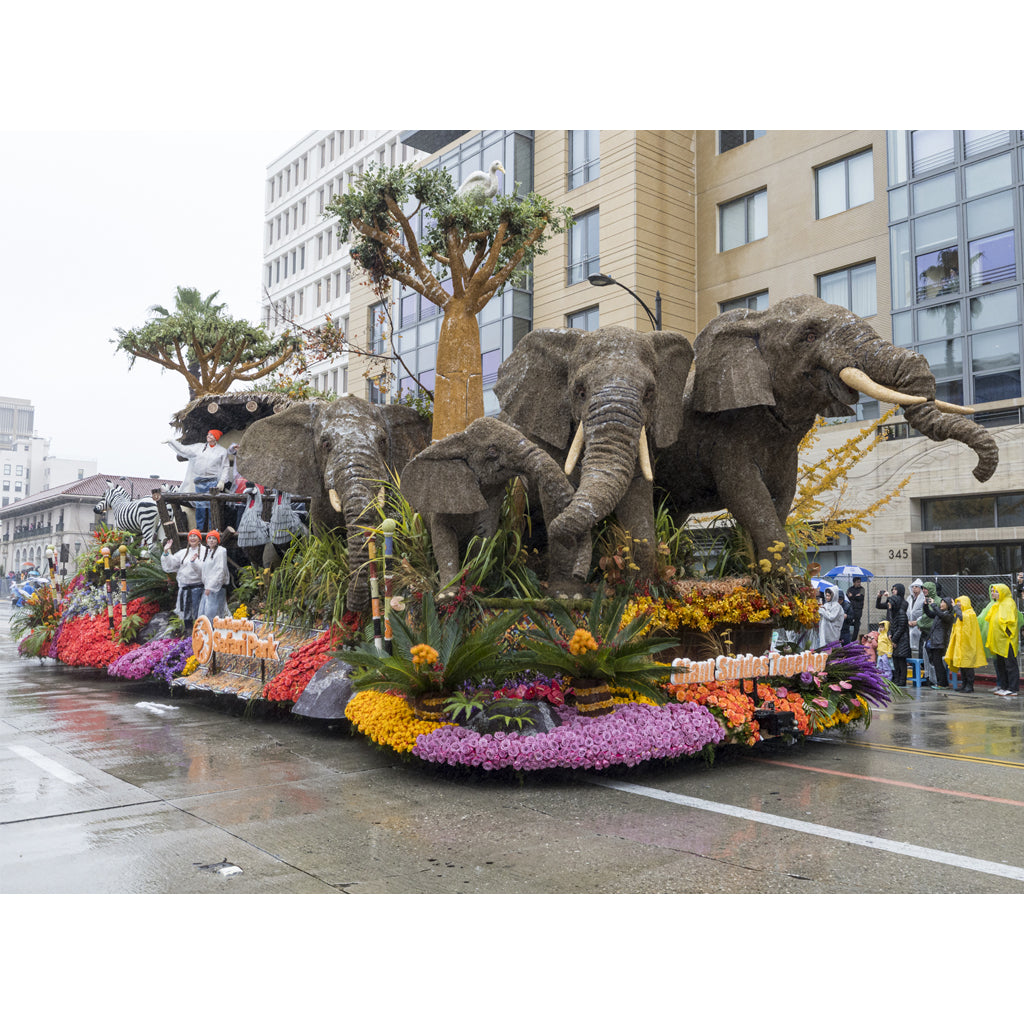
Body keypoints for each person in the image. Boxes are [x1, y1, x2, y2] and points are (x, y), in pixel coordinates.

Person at [164, 430, 231, 532]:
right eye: (208, 434)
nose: (208, 436)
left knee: (212, 506)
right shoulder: (199, 448)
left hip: (213, 482)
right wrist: (172, 441)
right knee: (200, 507)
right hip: (199, 482)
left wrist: (222, 481)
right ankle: (199, 528)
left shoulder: (221, 451)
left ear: (216, 437)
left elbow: (225, 467)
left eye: (211, 435)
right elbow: (184, 450)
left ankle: (212, 529)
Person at [161, 529, 207, 634]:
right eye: (191, 536)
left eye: (195, 536)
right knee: (186, 614)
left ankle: (201, 634)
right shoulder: (183, 553)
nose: (192, 538)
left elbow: (205, 570)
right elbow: (171, 565)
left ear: (199, 539)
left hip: (199, 588)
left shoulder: (205, 552)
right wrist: (166, 552)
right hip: (185, 588)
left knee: (199, 613)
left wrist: (194, 563)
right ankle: (188, 635)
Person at [980, 583, 1021, 698]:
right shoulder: (997, 604)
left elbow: (1010, 621)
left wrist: (1007, 634)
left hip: (1006, 641)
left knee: (1010, 664)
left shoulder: (1008, 603)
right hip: (998, 641)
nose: (994, 593)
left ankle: (1012, 688)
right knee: (1001, 665)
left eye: (996, 591)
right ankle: (1004, 686)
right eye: (993, 591)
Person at [944, 596, 987, 693]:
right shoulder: (961, 614)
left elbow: (962, 617)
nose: (958, 604)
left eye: (960, 602)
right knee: (962, 665)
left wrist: (954, 607)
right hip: (961, 644)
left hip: (968, 645)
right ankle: (964, 684)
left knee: (968, 666)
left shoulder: (970, 613)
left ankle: (969, 685)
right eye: (957, 602)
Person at [876, 583, 911, 686]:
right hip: (892, 633)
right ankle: (896, 678)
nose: (893, 591)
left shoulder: (902, 605)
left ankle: (901, 680)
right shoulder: (893, 607)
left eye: (895, 589)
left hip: (900, 638)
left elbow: (901, 627)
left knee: (901, 660)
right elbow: (878, 606)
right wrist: (879, 597)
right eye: (892, 589)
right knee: (894, 658)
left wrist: (894, 640)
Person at [922, 592, 954, 689]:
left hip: (940, 642)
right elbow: (930, 613)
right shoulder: (939, 614)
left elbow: (940, 615)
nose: (941, 605)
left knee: (939, 663)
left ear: (948, 605)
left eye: (943, 603)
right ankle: (940, 682)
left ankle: (943, 683)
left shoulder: (948, 615)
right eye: (941, 603)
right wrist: (925, 605)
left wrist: (933, 605)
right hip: (934, 641)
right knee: (936, 663)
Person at [198, 530, 230, 621]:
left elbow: (221, 570)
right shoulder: (208, 552)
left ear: (217, 541)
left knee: (214, 614)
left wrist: (210, 586)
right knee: (205, 613)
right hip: (209, 588)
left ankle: (215, 632)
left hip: (216, 588)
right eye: (210, 538)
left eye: (214, 538)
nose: (211, 540)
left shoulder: (221, 551)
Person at [908, 578, 930, 684]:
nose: (914, 588)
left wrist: (917, 622)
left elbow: (924, 614)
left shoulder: (923, 599)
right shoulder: (909, 598)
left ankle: (923, 671)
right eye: (912, 586)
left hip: (919, 627)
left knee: (920, 648)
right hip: (909, 625)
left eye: (916, 586)